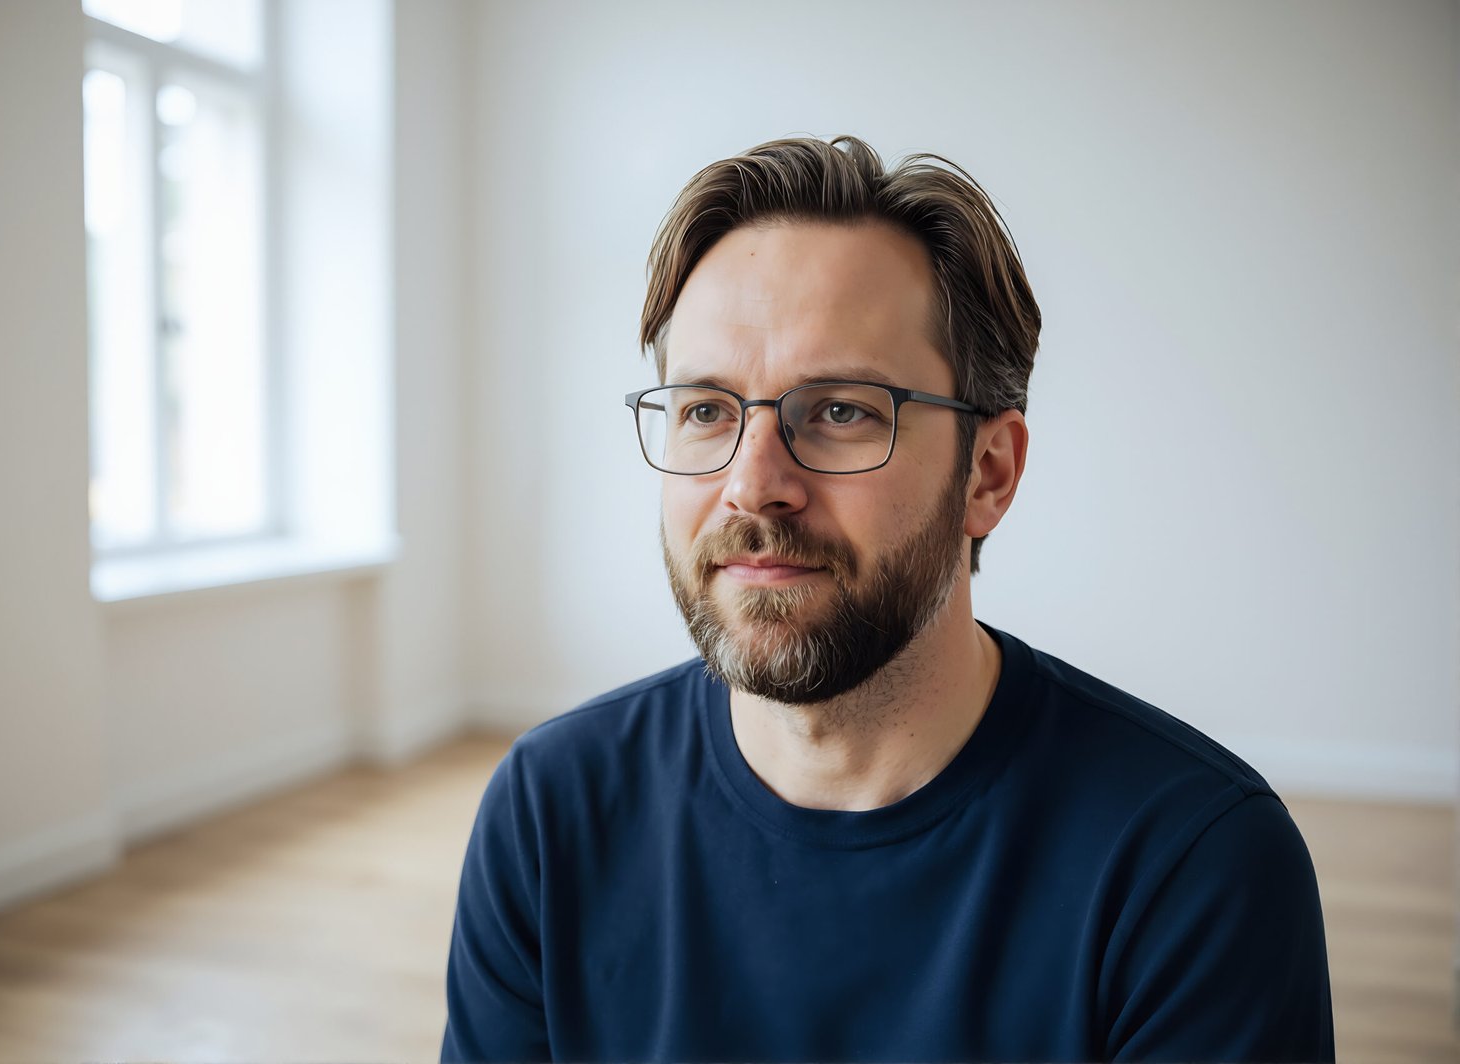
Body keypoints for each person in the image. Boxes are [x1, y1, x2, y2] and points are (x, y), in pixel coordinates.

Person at [441, 135, 1333, 1063]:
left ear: (988, 472)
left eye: (839, 411)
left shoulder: (1192, 868)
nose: (753, 484)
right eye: (706, 409)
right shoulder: (552, 810)